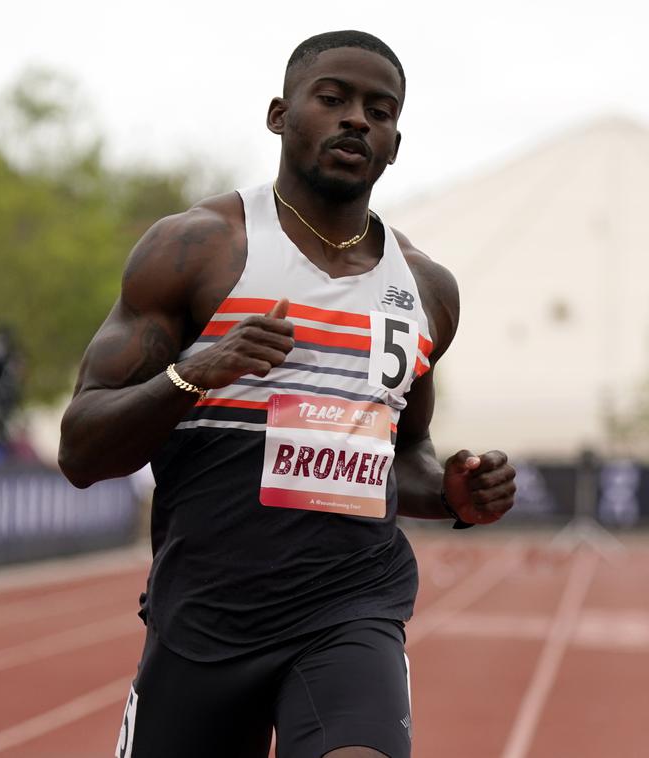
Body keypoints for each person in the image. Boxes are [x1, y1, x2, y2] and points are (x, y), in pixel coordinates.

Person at [58, 31, 517, 758]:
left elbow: (406, 457)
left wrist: (455, 492)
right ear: (280, 114)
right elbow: (81, 448)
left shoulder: (427, 291)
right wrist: (192, 376)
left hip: (351, 606)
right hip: (206, 613)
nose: (357, 120)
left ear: (396, 142)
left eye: (380, 110)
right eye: (333, 100)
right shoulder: (197, 249)